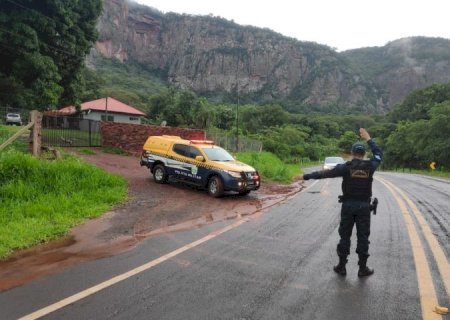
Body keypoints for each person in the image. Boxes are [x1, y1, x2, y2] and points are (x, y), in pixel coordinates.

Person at [300, 128, 382, 277]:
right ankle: (362, 268)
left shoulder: (345, 167)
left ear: (352, 153)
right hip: (364, 207)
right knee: (363, 237)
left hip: (348, 206)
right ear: (364, 154)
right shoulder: (370, 166)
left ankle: (342, 267)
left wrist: (305, 177)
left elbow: (324, 174)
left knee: (345, 236)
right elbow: (378, 154)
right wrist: (368, 138)